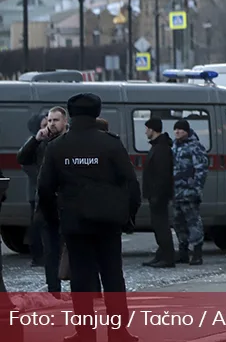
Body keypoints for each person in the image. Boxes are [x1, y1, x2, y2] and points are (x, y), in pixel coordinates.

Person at [38, 93, 141, 342]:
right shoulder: (111, 144)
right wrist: (128, 217)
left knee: (81, 280)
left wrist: (54, 220)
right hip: (108, 222)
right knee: (113, 276)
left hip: (75, 223)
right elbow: (131, 183)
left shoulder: (57, 146)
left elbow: (44, 188)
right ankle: (119, 333)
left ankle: (85, 333)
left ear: (71, 115)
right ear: (97, 113)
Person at [18, 106, 68, 295]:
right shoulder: (42, 143)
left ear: (65, 122)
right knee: (51, 253)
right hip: (48, 207)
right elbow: (22, 158)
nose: (51, 124)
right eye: (49, 121)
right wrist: (35, 139)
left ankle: (84, 291)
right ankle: (54, 290)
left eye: (55, 120)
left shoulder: (69, 141)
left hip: (69, 205)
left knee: (75, 250)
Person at [171, 119, 209, 266]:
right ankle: (183, 253)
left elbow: (201, 169)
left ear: (187, 131)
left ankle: (197, 254)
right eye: (176, 129)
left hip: (189, 192)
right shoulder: (174, 146)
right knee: (178, 223)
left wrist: (196, 188)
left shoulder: (195, 147)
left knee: (193, 222)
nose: (177, 132)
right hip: (176, 192)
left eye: (180, 130)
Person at [142, 118, 175, 268]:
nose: (145, 131)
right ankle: (161, 254)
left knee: (161, 226)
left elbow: (162, 174)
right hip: (155, 194)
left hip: (158, 195)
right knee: (158, 225)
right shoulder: (158, 146)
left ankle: (167, 257)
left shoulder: (161, 148)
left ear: (152, 129)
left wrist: (157, 195)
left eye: (147, 128)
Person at [19, 114, 48, 267]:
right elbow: (25, 163)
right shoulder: (32, 143)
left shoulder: (50, 142)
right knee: (36, 226)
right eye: (43, 125)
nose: (46, 128)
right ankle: (37, 256)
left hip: (48, 190)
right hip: (36, 192)